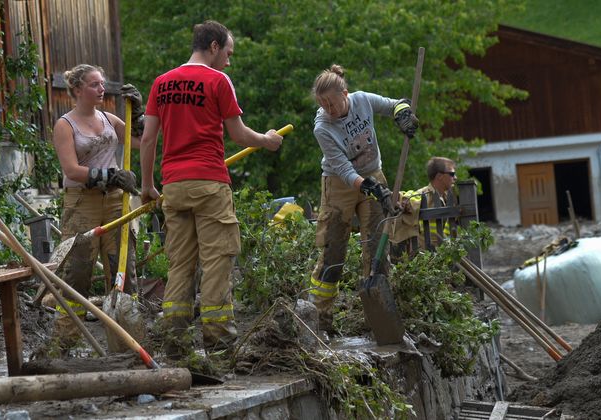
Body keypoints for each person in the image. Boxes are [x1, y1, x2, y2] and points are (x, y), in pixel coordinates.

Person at [139, 20, 283, 356]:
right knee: (218, 260)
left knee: (180, 263)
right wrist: (267, 140)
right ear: (214, 47)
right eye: (228, 53)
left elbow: (147, 139)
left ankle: (174, 341)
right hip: (209, 183)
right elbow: (239, 135)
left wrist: (147, 185)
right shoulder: (218, 80)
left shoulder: (161, 83)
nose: (229, 61)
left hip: (173, 186)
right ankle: (219, 345)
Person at [307, 64, 419, 339]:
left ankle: (377, 317)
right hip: (339, 185)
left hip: (372, 173)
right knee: (333, 251)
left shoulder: (363, 100)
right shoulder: (322, 127)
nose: (329, 111)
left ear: (345, 94)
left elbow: (395, 105)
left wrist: (403, 115)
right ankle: (320, 319)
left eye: (332, 104)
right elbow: (344, 169)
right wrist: (373, 189)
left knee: (376, 247)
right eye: (323, 106)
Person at [51, 64, 142, 348]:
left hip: (115, 201)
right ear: (78, 90)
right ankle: (65, 342)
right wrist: (110, 175)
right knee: (77, 272)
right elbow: (71, 169)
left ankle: (127, 339)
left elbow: (140, 141)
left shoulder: (109, 118)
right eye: (94, 84)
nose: (101, 89)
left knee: (122, 270)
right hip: (82, 204)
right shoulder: (66, 125)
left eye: (102, 84)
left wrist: (138, 112)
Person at [390, 157, 458, 258]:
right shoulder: (424, 195)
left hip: (442, 256)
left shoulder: (448, 198)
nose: (455, 177)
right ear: (439, 176)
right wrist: (403, 201)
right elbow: (409, 198)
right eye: (452, 174)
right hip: (424, 257)